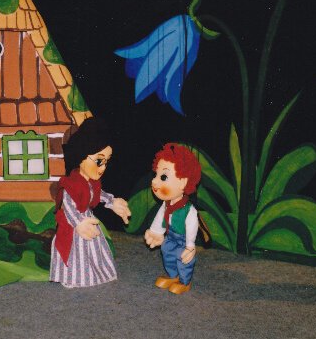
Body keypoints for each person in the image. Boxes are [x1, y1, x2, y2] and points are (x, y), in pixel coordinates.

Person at [50, 117, 131, 288]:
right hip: (74, 226)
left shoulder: (92, 183)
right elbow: (68, 206)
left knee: (94, 250)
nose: (103, 167)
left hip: (88, 220)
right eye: (99, 161)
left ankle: (95, 275)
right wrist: (79, 223)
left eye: (106, 161)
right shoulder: (71, 184)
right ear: (81, 155)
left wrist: (112, 202)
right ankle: (74, 278)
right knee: (77, 252)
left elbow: (98, 194)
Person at [144, 143, 202, 294]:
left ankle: (184, 281)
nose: (154, 181)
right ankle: (172, 275)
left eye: (163, 177)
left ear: (183, 182)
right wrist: (156, 232)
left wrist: (190, 246)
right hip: (170, 236)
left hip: (183, 239)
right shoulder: (166, 203)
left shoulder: (189, 210)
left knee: (183, 259)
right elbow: (160, 218)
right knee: (167, 252)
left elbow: (192, 227)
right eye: (156, 175)